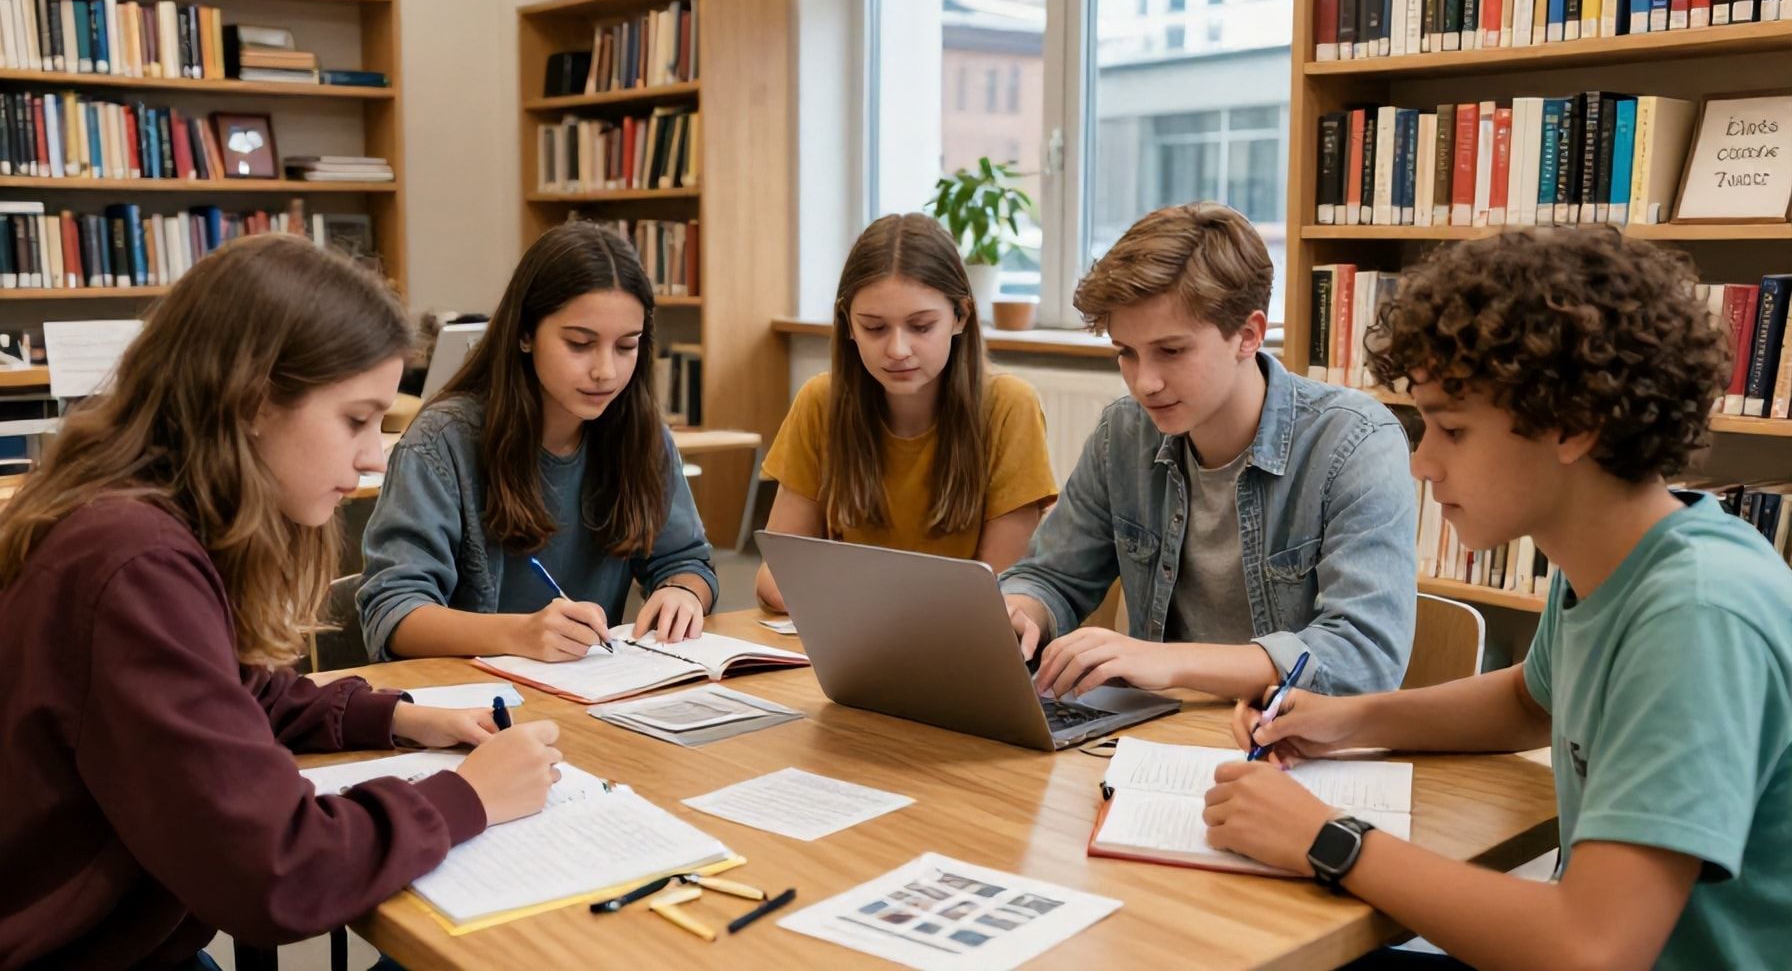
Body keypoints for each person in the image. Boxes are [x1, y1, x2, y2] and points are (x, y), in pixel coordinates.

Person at [1207, 227, 1792, 970]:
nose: (1422, 462)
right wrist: (1346, 719)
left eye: (1451, 428)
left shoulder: (1696, 617)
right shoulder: (1607, 560)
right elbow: (1532, 700)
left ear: (1573, 426)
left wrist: (1328, 838)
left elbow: (1591, 948)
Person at [0, 235, 561, 970]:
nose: (370, 455)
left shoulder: (134, 518)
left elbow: (218, 696)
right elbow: (274, 871)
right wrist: (466, 800)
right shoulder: (134, 561)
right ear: (255, 401)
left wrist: (394, 715)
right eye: (356, 419)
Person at [1005, 202, 1417, 702]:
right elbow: (1053, 577)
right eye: (1126, 353)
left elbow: (1363, 659)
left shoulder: (1355, 442)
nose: (1144, 382)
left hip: (1290, 747)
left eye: (1171, 351)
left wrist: (1167, 662)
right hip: (1153, 740)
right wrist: (1020, 610)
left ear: (1248, 335)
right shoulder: (1123, 434)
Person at [360, 222, 718, 661]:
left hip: (587, 697)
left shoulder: (639, 433)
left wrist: (682, 592)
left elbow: (686, 561)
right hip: (472, 708)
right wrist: (519, 634)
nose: (605, 370)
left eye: (626, 346)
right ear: (526, 333)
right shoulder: (441, 442)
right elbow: (393, 613)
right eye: (580, 344)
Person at [755, 212, 1057, 612]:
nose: (897, 350)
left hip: (955, 648)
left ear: (960, 316)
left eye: (921, 326)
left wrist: (850, 595)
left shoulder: (1009, 407)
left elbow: (999, 588)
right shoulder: (820, 402)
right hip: (848, 644)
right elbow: (775, 577)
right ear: (848, 324)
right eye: (875, 328)